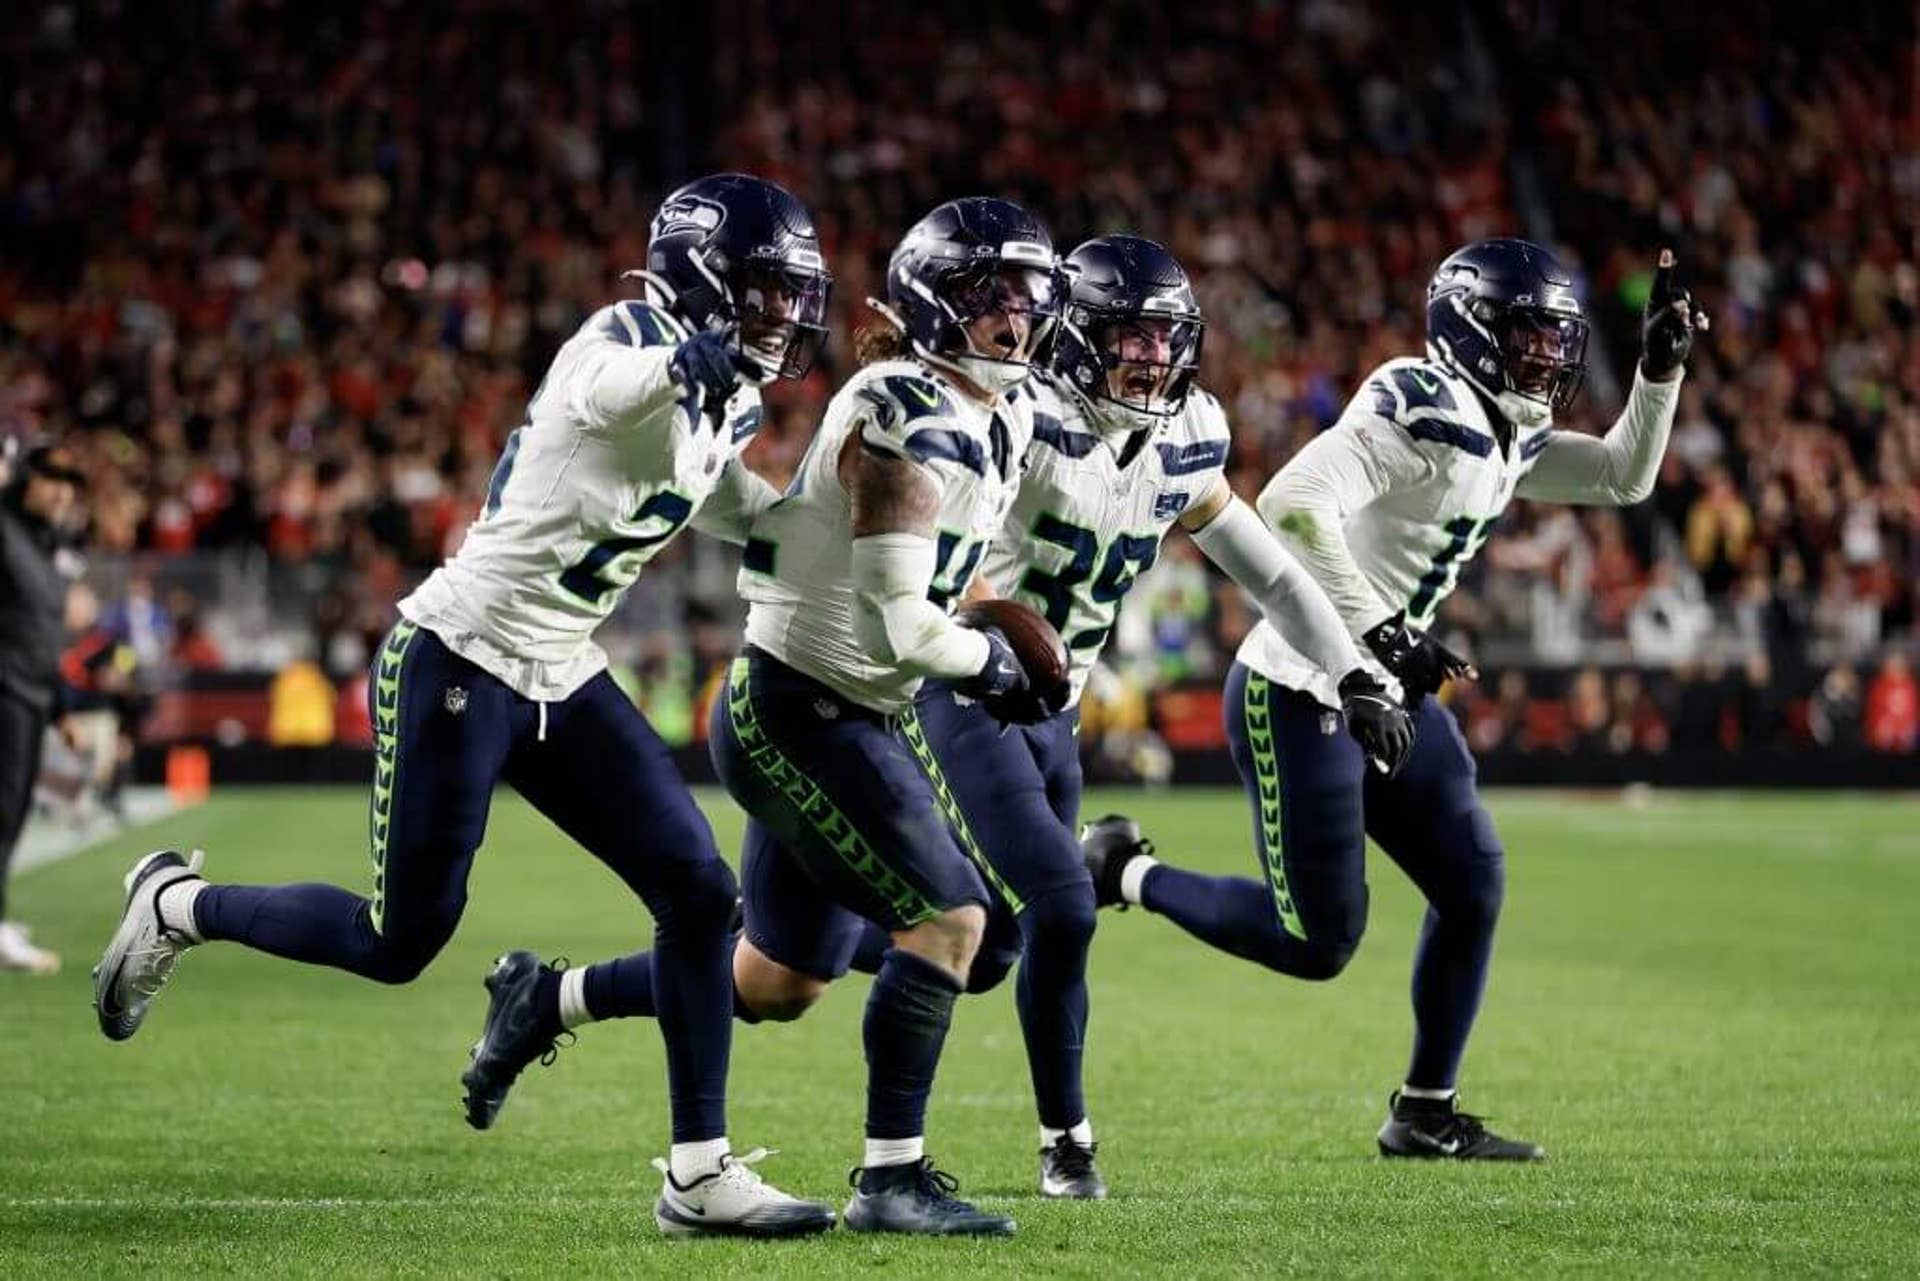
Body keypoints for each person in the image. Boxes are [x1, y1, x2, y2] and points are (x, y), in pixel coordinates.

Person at [90, 173, 838, 1238]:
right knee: (400, 942)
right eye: (764, 289)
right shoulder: (619, 339)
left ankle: (698, 1173)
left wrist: (847, 537)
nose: (781, 315)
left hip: (561, 668)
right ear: (702, 274)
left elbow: (729, 504)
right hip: (461, 654)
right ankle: (175, 906)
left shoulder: (730, 393)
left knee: (694, 889)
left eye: (791, 295)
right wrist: (678, 363)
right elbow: (607, 392)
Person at [462, 197, 1061, 1236]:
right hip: (805, 714)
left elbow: (844, 566)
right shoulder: (903, 409)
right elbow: (908, 627)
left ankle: (545, 998)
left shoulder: (994, 413)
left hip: (852, 707)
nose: (1011, 321)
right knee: (954, 923)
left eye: (1024, 299)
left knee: (778, 980)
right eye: (986, 298)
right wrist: (996, 665)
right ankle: (891, 1178)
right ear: (933, 302)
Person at [1083, 242, 1708, 1160]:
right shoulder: (1423, 403)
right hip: (1299, 687)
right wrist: (1381, 630)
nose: (1545, 357)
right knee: (1319, 941)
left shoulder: (1504, 426)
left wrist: (1658, 372)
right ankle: (1121, 872)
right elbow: (1292, 500)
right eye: (1527, 335)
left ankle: (1424, 1108)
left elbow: (1623, 475)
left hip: (1388, 686)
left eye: (1554, 338)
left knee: (1473, 879)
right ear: (1471, 329)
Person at [0, 443, 87, 975]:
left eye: (69, 479)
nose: (62, 489)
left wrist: (61, 710)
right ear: (25, 478)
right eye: (51, 477)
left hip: (31, 693)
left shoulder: (43, 541)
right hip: (4, 687)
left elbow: (44, 634)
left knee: (10, 814)